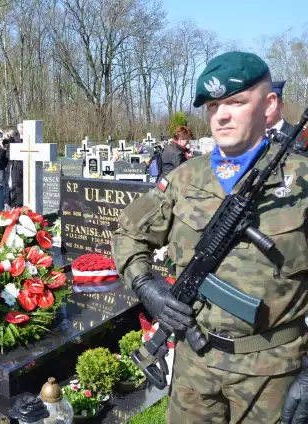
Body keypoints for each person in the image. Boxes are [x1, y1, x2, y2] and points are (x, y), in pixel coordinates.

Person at [111, 51, 308, 424]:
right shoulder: (186, 178)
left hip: (275, 372)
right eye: (213, 105)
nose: (221, 115)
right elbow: (129, 234)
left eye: (235, 102)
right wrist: (146, 286)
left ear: (268, 106)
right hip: (193, 367)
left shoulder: (301, 180)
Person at [1, 126, 24, 209]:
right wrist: (2, 149)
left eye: (9, 137)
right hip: (8, 195)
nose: (8, 140)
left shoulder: (21, 151)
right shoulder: (6, 152)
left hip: (19, 195)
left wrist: (15, 144)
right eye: (5, 137)